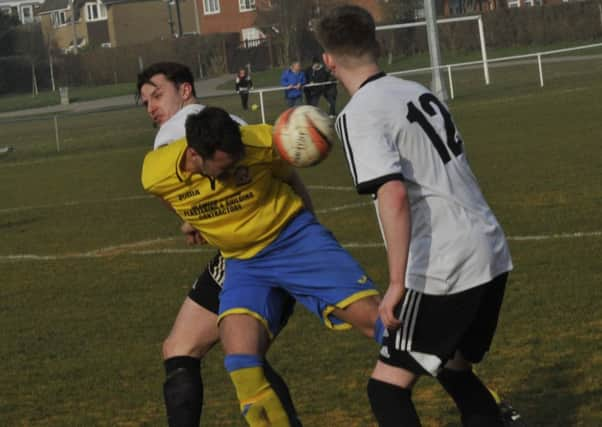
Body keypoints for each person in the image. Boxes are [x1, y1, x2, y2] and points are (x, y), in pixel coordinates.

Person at [142, 106, 425, 427]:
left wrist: (313, 235)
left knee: (382, 323)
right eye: (223, 171)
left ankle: (467, 383)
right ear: (194, 156)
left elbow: (290, 177)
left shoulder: (262, 143)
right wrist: (189, 218)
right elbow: (166, 193)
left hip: (294, 240)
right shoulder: (155, 171)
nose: (232, 173)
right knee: (242, 368)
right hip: (242, 263)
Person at [317, 5, 519, 427]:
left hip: (444, 265)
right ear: (378, 44)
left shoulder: (357, 115)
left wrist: (396, 284)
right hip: (489, 248)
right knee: (453, 369)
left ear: (328, 61)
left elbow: (392, 194)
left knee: (386, 388)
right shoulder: (416, 90)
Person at [136, 62, 301, 427]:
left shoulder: (176, 132)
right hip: (286, 239)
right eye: (145, 101)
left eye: (157, 95)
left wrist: (190, 217)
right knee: (242, 357)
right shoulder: (225, 123)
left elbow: (171, 185)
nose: (151, 107)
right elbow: (279, 174)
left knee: (186, 350)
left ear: (185, 90)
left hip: (251, 250)